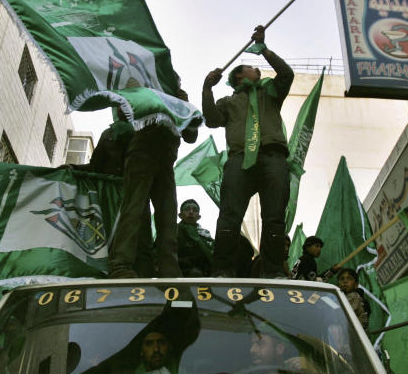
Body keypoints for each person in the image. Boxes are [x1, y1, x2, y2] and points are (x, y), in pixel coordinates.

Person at [202, 25, 294, 278]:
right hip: (240, 160)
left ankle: (273, 270)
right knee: (230, 215)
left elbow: (286, 74)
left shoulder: (270, 93)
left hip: (273, 157)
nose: (257, 69)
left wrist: (264, 49)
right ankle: (222, 270)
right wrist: (207, 89)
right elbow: (210, 120)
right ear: (241, 77)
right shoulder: (228, 102)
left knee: (274, 216)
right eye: (252, 68)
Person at [108, 92, 198, 279]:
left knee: (168, 216)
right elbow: (123, 113)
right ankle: (121, 265)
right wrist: (144, 99)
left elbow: (191, 135)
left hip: (165, 162)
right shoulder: (148, 94)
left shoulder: (178, 102)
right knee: (134, 212)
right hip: (141, 155)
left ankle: (169, 269)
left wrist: (184, 105)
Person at [176, 199, 214, 276]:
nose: (191, 212)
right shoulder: (173, 231)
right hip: (181, 272)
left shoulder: (205, 234)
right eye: (187, 209)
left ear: (199, 217)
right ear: (180, 215)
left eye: (195, 210)